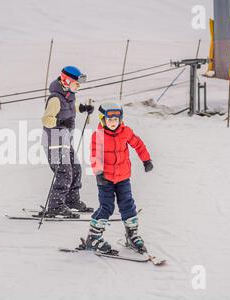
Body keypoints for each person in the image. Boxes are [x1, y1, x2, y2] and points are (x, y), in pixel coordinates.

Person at [86, 102, 153, 253]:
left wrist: (146, 160)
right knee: (106, 207)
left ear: (120, 120)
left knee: (127, 204)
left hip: (123, 177)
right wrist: (98, 172)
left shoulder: (126, 131)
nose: (113, 123)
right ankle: (93, 237)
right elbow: (94, 154)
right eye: (110, 120)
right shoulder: (99, 135)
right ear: (103, 120)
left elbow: (138, 144)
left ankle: (132, 235)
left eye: (116, 120)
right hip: (105, 179)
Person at [41, 66, 95, 218]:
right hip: (53, 142)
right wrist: (61, 122)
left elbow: (71, 108)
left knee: (76, 169)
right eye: (76, 83)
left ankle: (71, 200)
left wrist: (83, 108)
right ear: (66, 80)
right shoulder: (55, 99)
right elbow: (46, 119)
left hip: (64, 141)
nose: (78, 86)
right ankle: (55, 206)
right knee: (64, 172)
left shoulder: (68, 96)